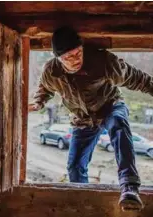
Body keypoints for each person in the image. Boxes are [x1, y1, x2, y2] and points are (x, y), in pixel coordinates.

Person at [29, 26, 153, 211]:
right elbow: (45, 89)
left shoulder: (103, 61)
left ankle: (129, 188)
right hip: (82, 119)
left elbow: (137, 78)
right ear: (58, 58)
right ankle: (82, 199)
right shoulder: (52, 71)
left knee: (119, 126)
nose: (75, 59)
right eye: (68, 57)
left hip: (109, 106)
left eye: (78, 53)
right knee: (75, 165)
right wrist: (38, 103)